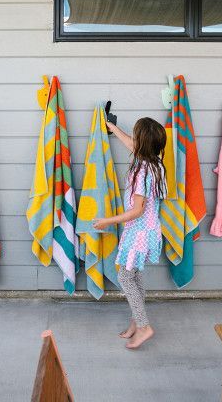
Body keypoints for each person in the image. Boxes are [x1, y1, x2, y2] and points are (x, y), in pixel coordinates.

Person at [93, 117, 167, 350]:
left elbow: (136, 211)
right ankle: (136, 321)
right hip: (150, 230)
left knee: (126, 278)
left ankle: (144, 326)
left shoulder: (140, 173)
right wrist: (113, 128)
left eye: (136, 136)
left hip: (138, 233)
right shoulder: (155, 161)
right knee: (134, 276)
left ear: (142, 143)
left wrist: (108, 221)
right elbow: (132, 145)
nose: (132, 140)